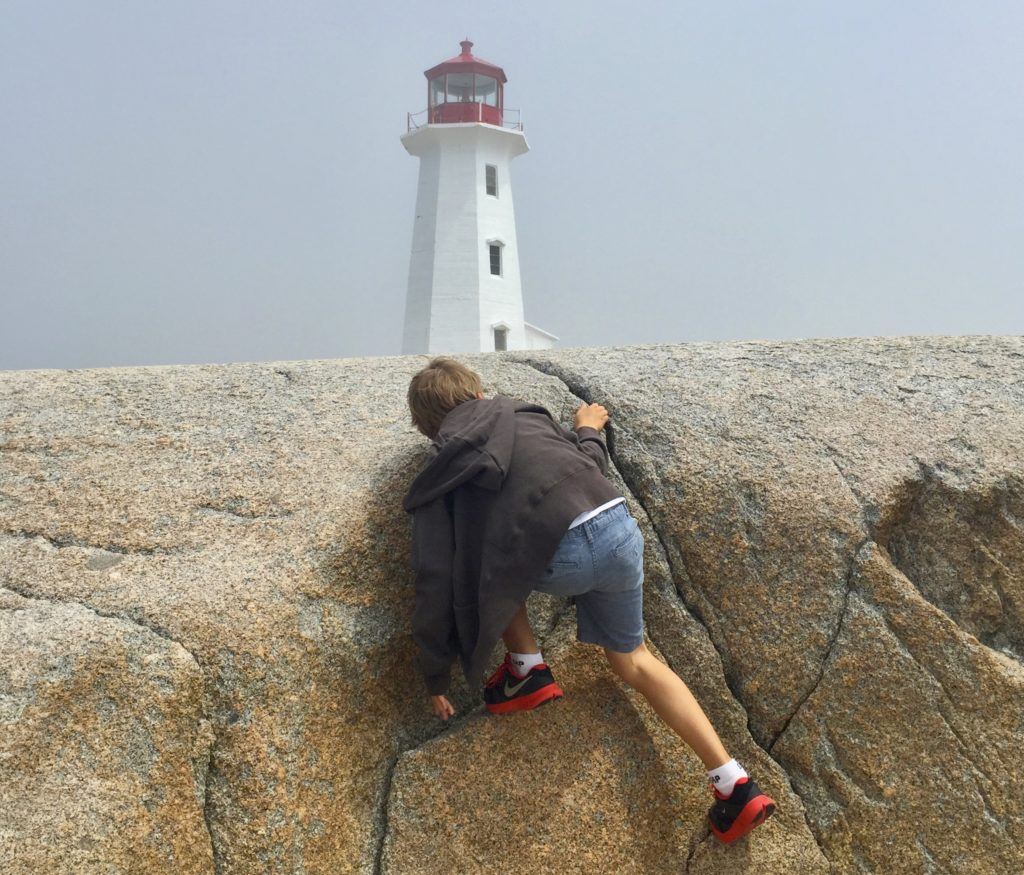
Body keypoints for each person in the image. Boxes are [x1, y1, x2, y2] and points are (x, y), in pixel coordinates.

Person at [402, 356, 776, 843]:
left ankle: (527, 668)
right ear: (476, 394)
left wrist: (435, 672)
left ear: (430, 429)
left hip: (561, 554)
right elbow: (587, 464)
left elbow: (435, 576)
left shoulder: (445, 467)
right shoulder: (524, 413)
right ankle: (733, 783)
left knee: (485, 558)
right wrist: (588, 428)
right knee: (635, 660)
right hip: (616, 528)